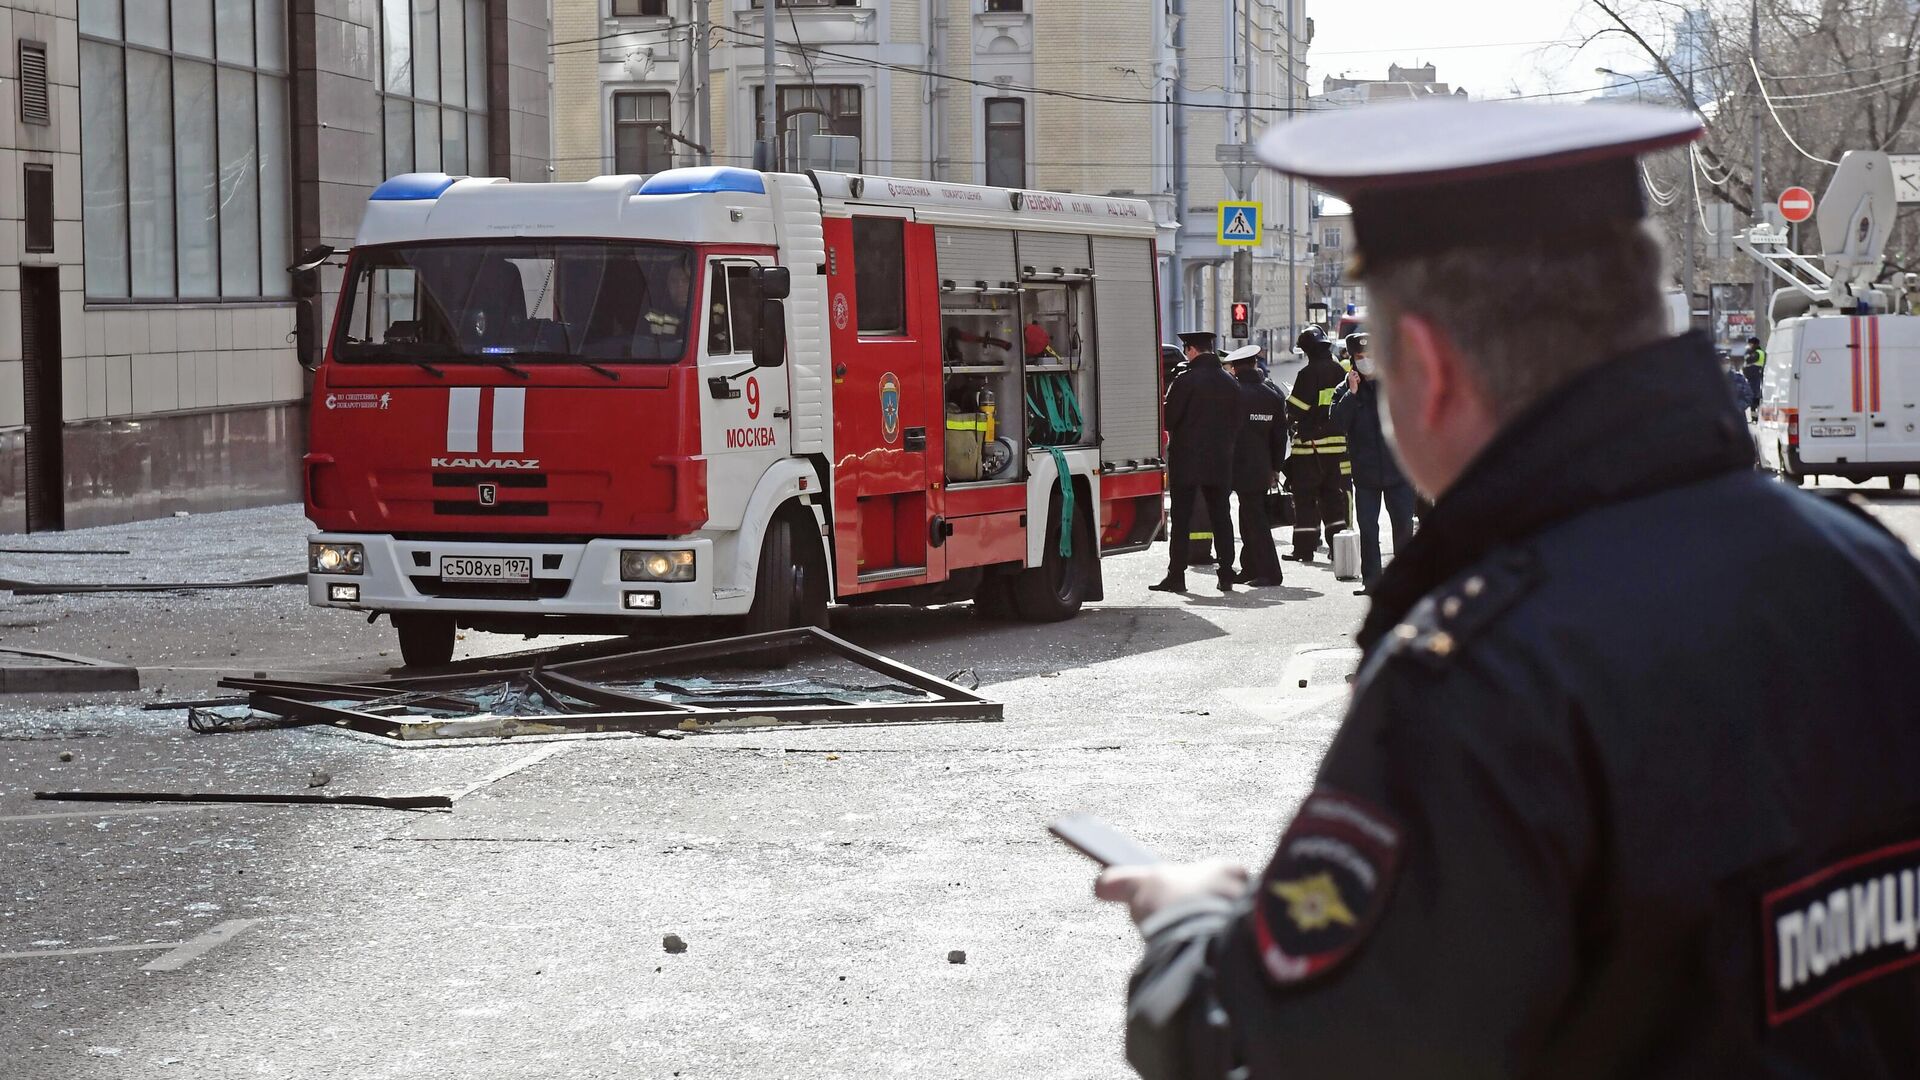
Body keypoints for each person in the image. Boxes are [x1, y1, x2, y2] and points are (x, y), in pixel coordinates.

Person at [1095, 99, 1920, 1077]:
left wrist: (1189, 929)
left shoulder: (1487, 676)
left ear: (1429, 369)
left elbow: (1278, 1048)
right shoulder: (1868, 568)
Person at [1152, 331, 1243, 594]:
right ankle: (1226, 573)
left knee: (1181, 519)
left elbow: (1169, 418)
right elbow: (1238, 422)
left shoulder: (1185, 381)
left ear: (1191, 350)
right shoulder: (1230, 382)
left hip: (1187, 460)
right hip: (1220, 460)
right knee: (1221, 517)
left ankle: (1176, 576)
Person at [1329, 332, 1413, 594]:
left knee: (1403, 529)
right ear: (1353, 359)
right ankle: (1372, 580)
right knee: (1368, 529)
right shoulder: (1345, 389)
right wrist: (1352, 395)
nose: (1366, 361)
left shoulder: (1396, 384)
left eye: (1370, 355)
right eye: (1360, 356)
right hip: (1365, 475)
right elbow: (1337, 423)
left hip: (1398, 472)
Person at [1283, 327, 1351, 563]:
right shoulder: (1339, 371)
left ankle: (1304, 549)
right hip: (1337, 449)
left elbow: (1296, 409)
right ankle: (1338, 549)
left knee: (1305, 501)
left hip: (1310, 450)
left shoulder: (1307, 374)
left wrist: (1288, 409)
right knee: (1333, 500)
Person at [1224, 345, 1287, 588]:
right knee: (1249, 517)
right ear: (1254, 365)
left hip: (1238, 466)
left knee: (1256, 522)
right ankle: (1250, 567)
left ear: (1235, 368)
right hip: (1262, 467)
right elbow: (1279, 436)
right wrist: (1276, 467)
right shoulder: (1272, 395)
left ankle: (1271, 573)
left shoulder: (1234, 395)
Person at [1742, 335, 1767, 421]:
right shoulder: (1756, 352)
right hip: (1753, 379)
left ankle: (1756, 418)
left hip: (1755, 379)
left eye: (1750, 344)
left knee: (1754, 398)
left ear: (1754, 344)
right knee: (1754, 399)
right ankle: (1754, 418)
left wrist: (1747, 353)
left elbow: (1748, 360)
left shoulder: (1757, 353)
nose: (1749, 345)